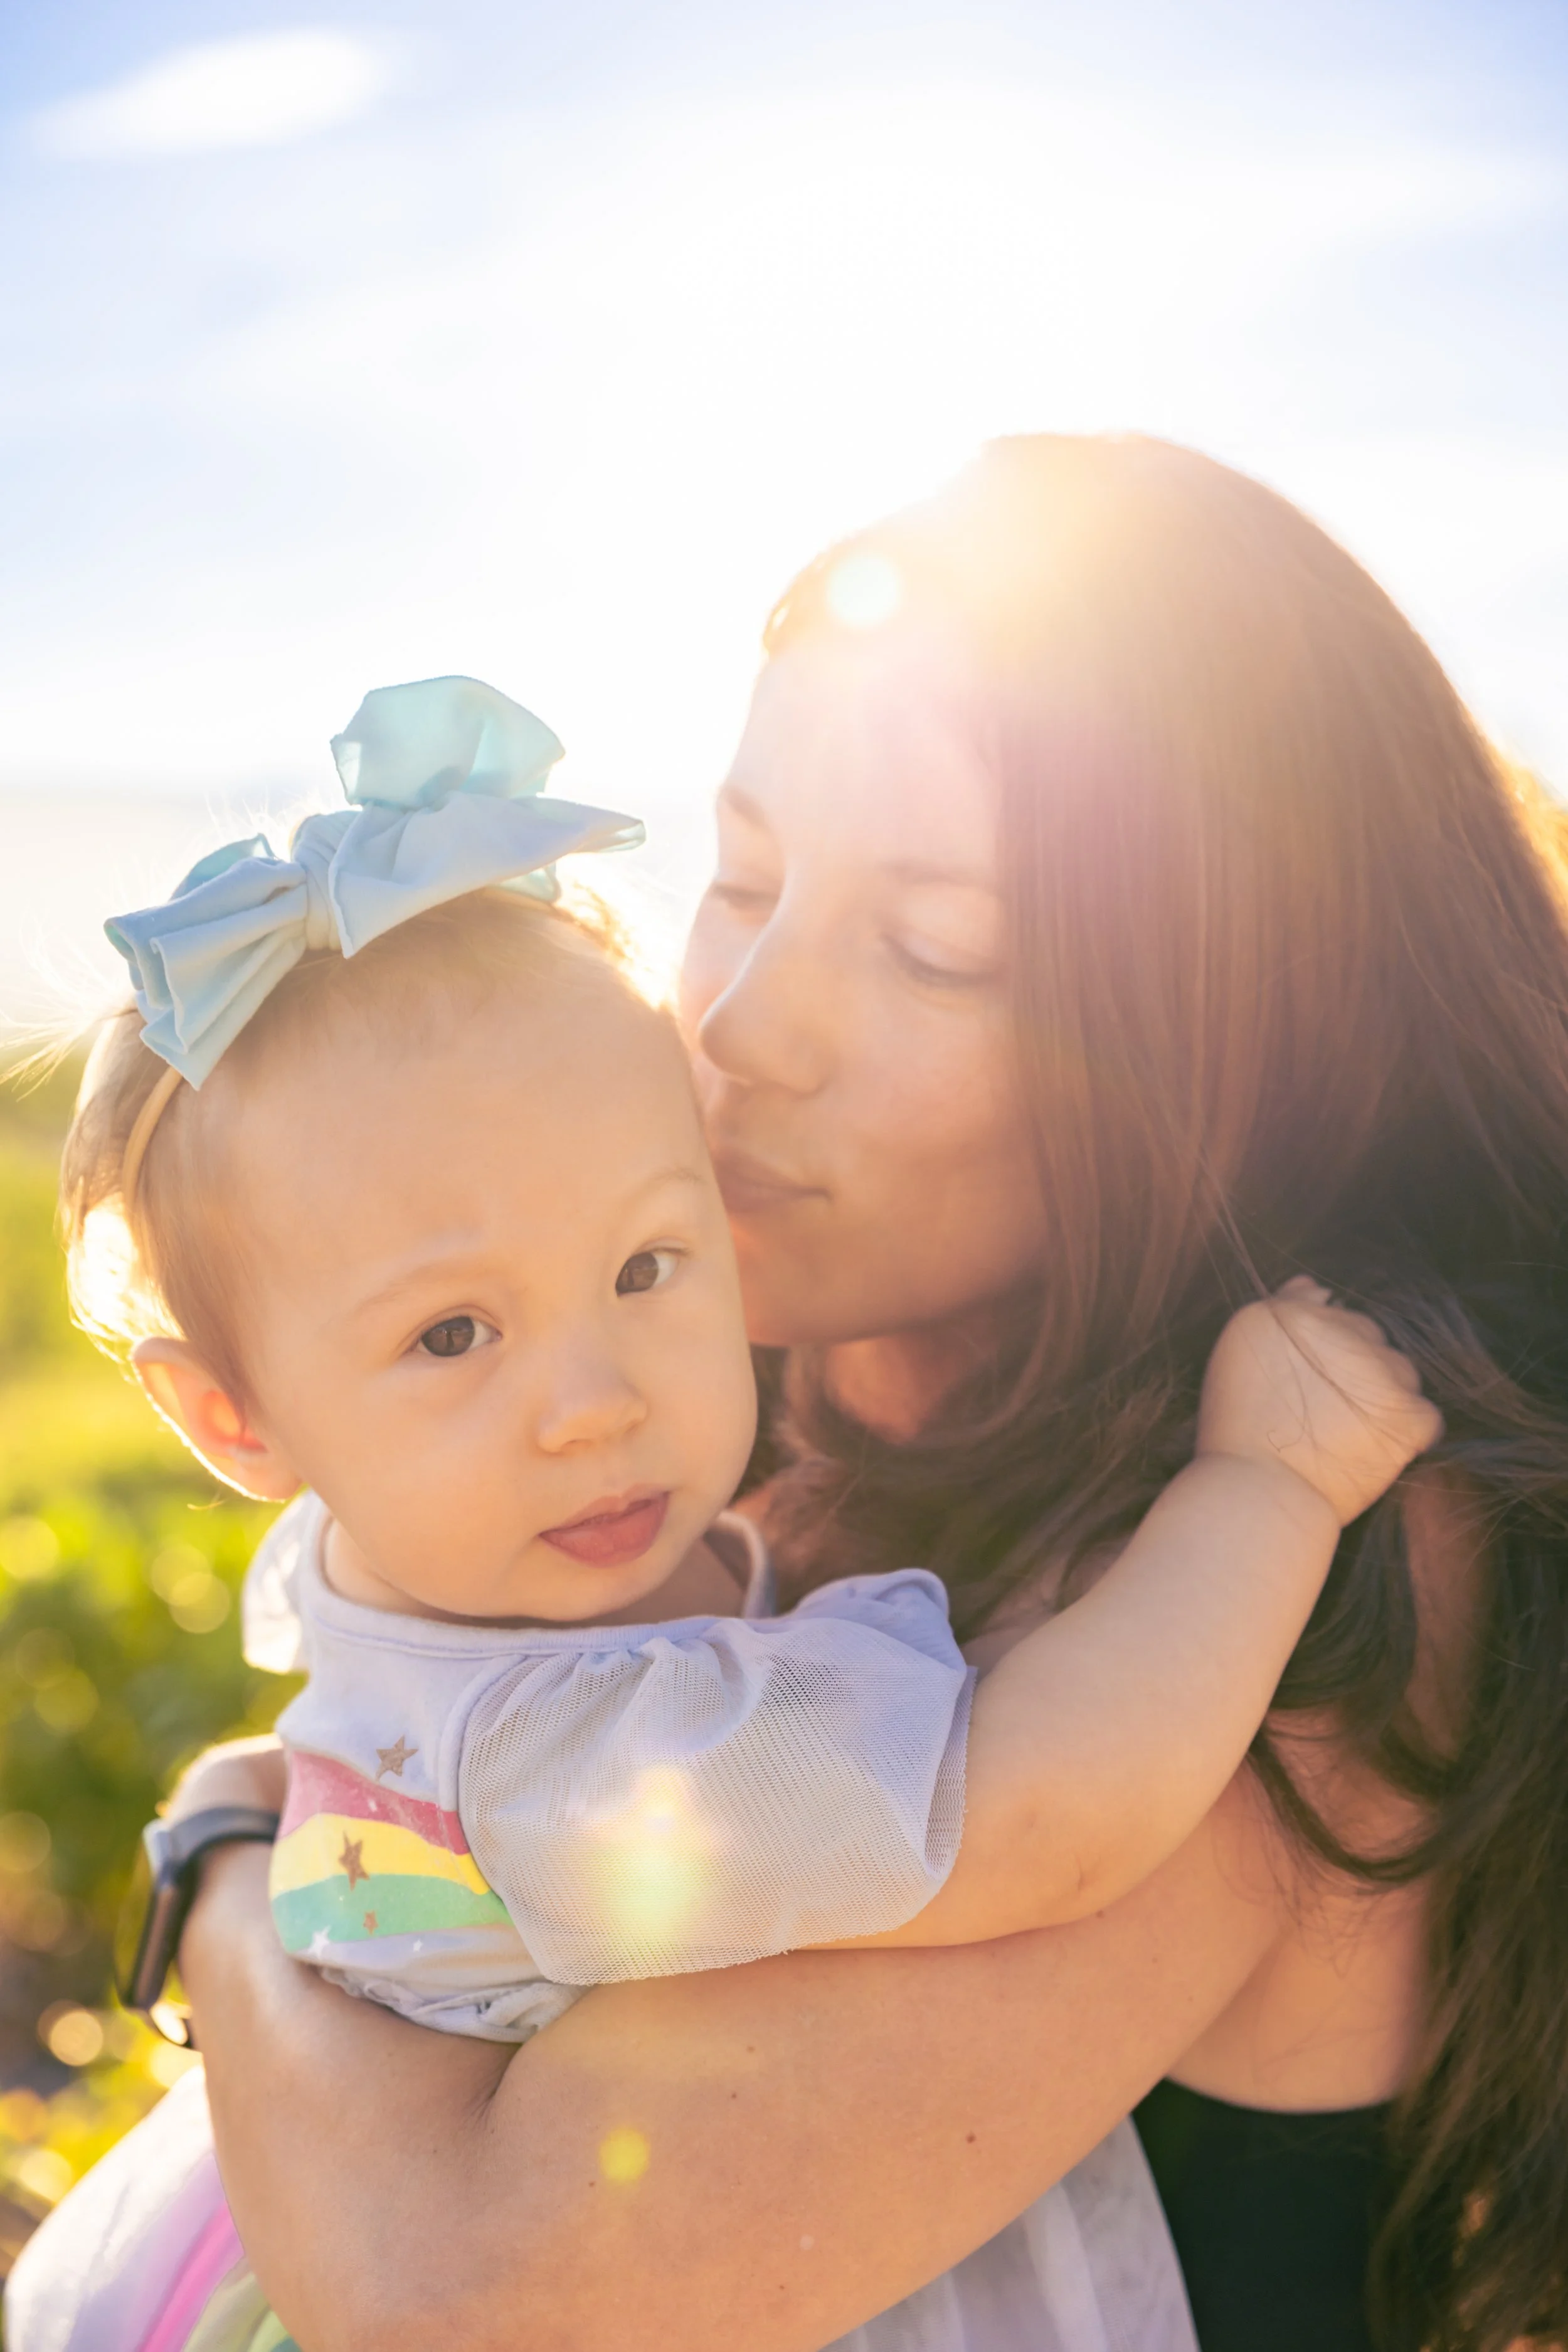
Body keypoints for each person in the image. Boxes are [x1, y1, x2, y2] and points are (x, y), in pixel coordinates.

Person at [38, 435, 1568, 2352]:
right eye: (739, 872)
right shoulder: (730, 1426)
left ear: (1226, 1028)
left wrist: (239, 1862)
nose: (745, 1023)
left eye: (933, 947)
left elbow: (476, 2294)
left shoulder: (1324, 1539)